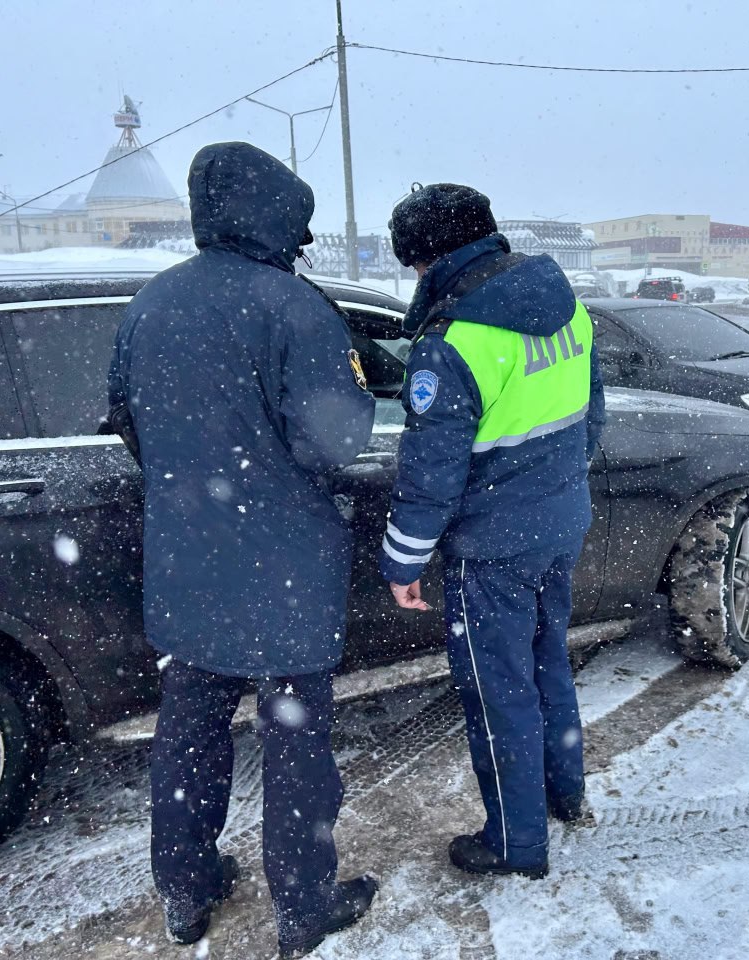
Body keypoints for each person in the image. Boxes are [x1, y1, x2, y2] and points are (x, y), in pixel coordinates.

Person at [108, 141, 378, 958]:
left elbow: (128, 421)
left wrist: (196, 480)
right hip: (285, 564)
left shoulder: (149, 304)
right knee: (295, 736)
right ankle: (304, 905)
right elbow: (336, 442)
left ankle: (185, 890)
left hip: (187, 559)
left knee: (188, 731)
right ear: (277, 219)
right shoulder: (294, 308)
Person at [380, 183, 605, 878]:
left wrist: (403, 561)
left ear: (431, 258)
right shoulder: (569, 311)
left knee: (498, 691)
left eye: (415, 265)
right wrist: (551, 491)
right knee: (547, 665)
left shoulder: (451, 345)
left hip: (492, 550)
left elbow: (431, 476)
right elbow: (589, 423)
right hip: (560, 522)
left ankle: (515, 842)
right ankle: (565, 795)